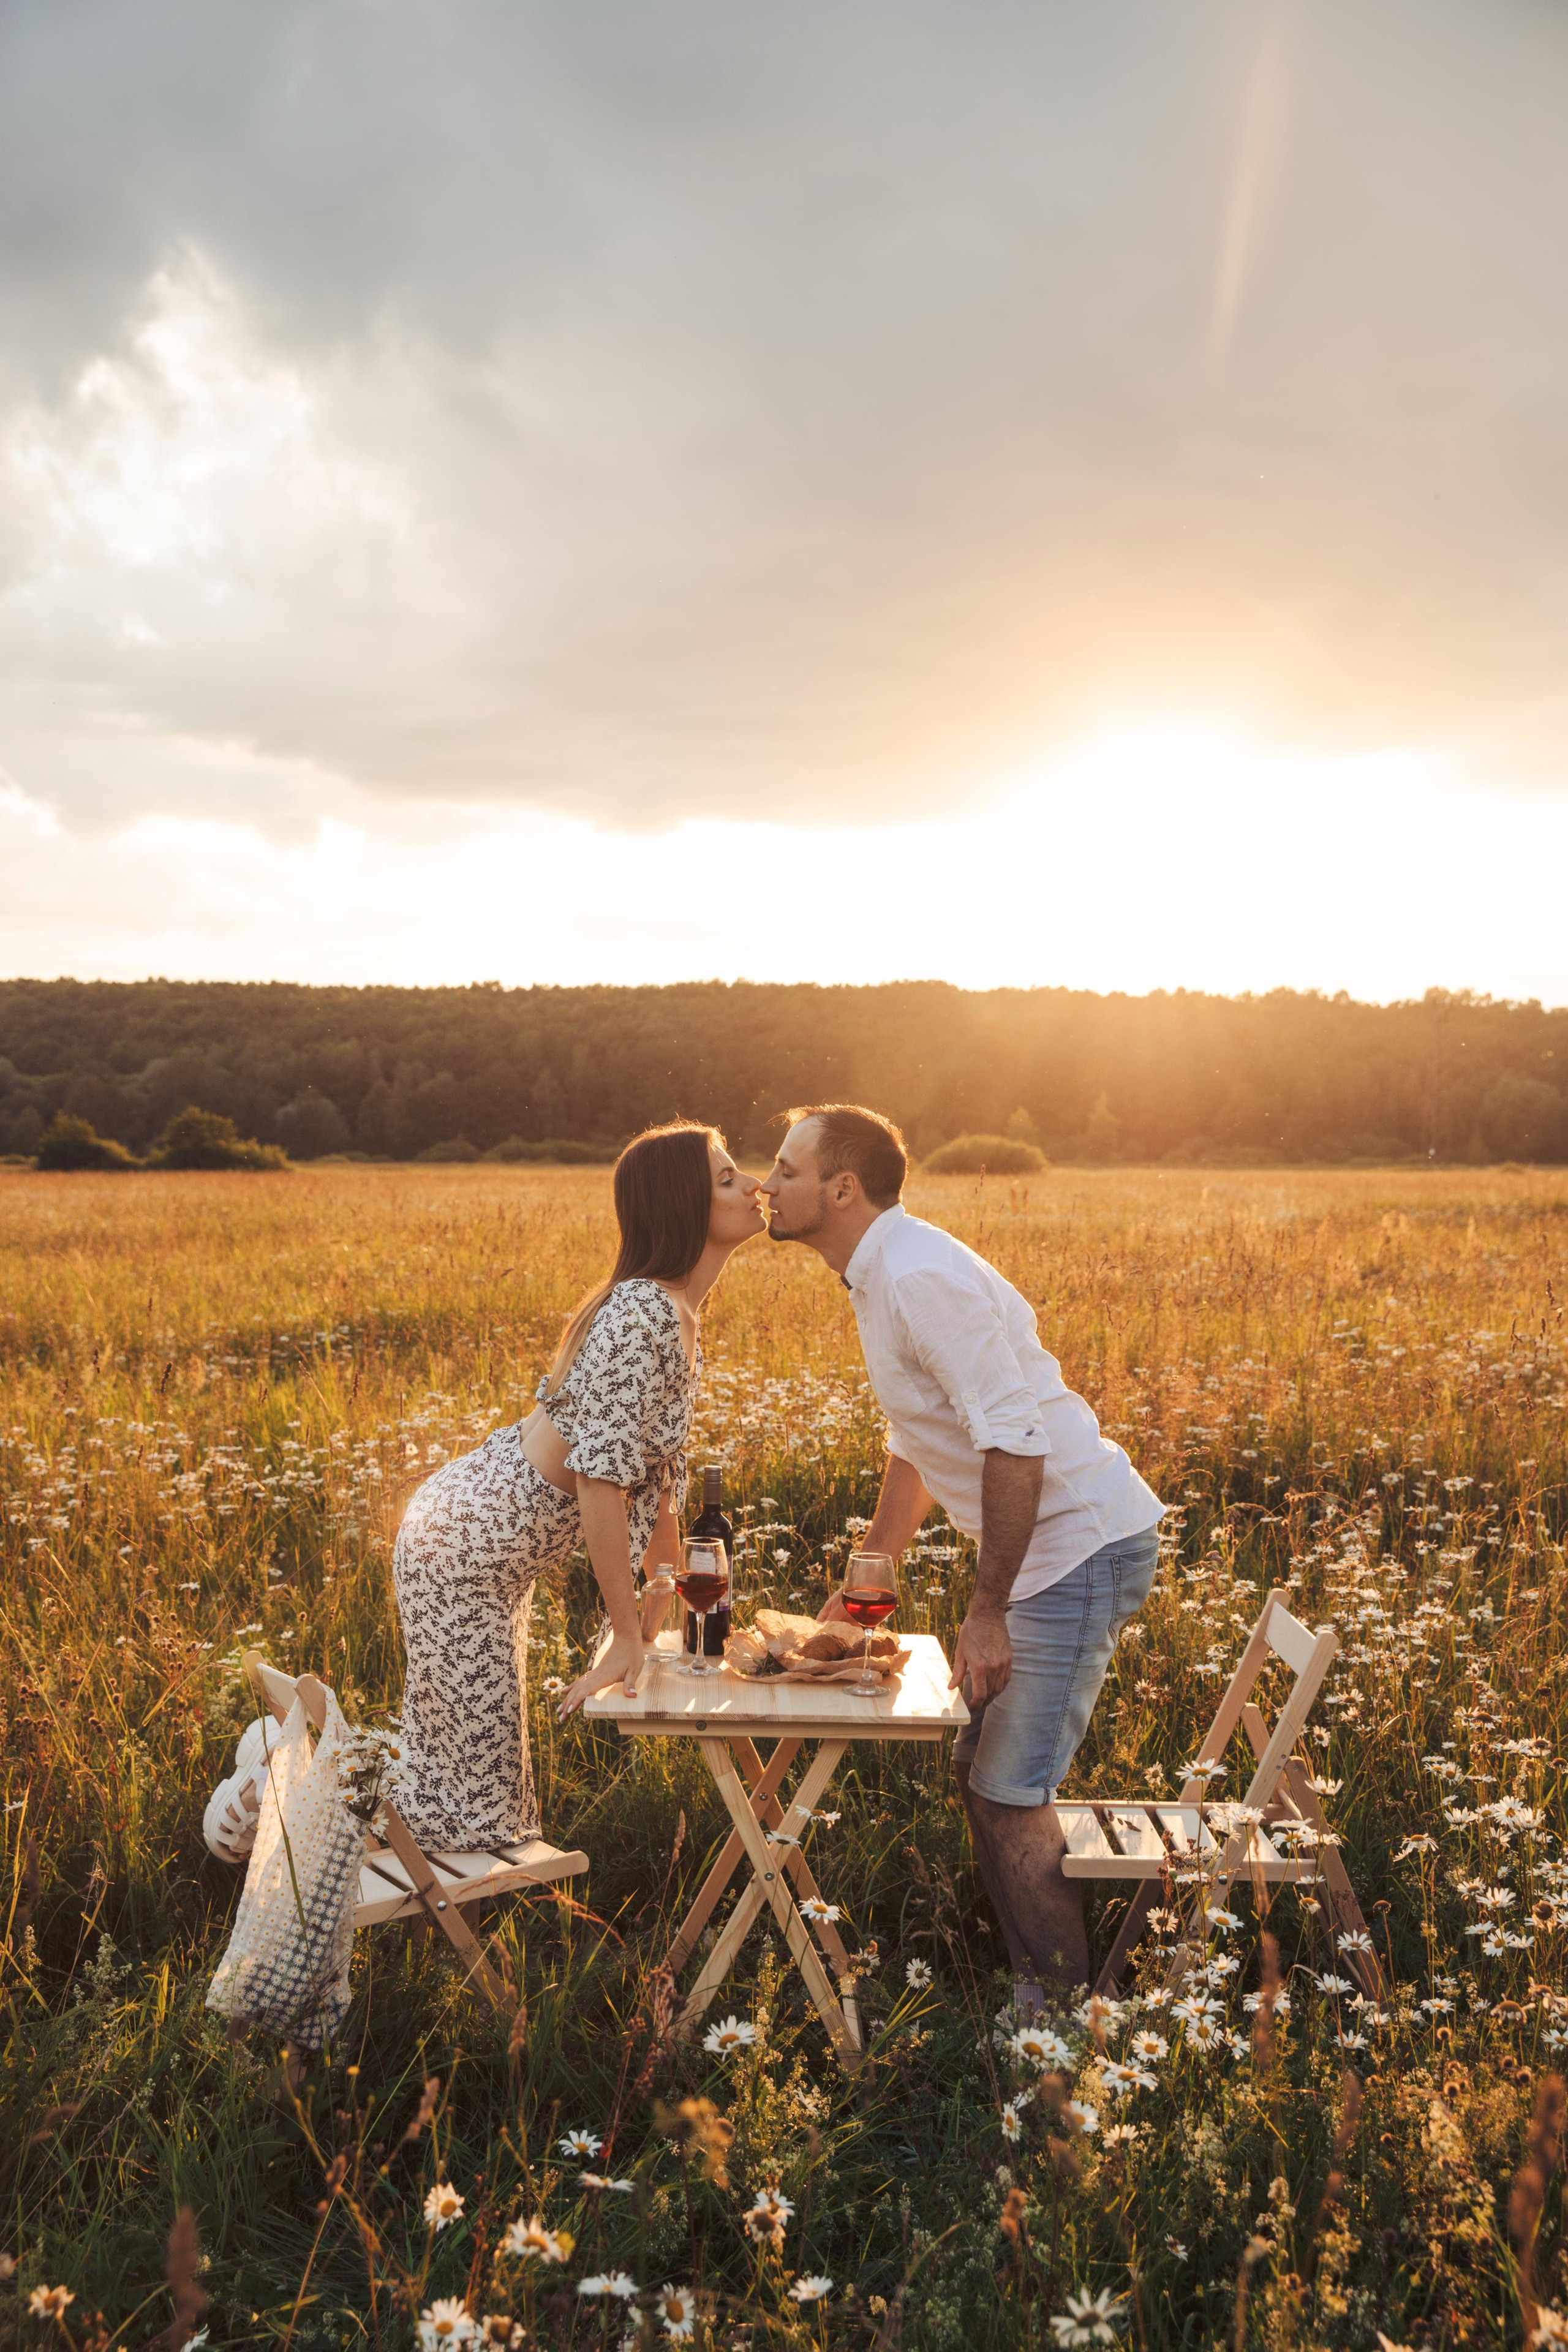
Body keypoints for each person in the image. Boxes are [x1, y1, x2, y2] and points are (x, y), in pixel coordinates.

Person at [203, 1122, 766, 1863]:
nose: (753, 1184)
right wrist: (626, 1633)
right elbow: (599, 1482)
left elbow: (655, 1482)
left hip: (486, 1552)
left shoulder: (676, 1313)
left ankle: (316, 1752)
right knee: (472, 1820)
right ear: (685, 1204)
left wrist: (655, 1613)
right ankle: (281, 1782)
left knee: (478, 1793)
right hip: (463, 1552)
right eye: (727, 1178)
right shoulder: (646, 1314)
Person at [760, 1103, 1163, 2015]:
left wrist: (989, 1609)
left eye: (785, 1169)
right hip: (1057, 1552)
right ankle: (1033, 1987)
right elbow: (917, 1438)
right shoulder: (878, 1272)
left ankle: (1059, 2027)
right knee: (980, 1777)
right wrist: (869, 1569)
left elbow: (1016, 1442)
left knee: (1011, 1791)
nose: (766, 1186)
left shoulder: (915, 1276)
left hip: (1080, 1549)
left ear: (842, 1188)